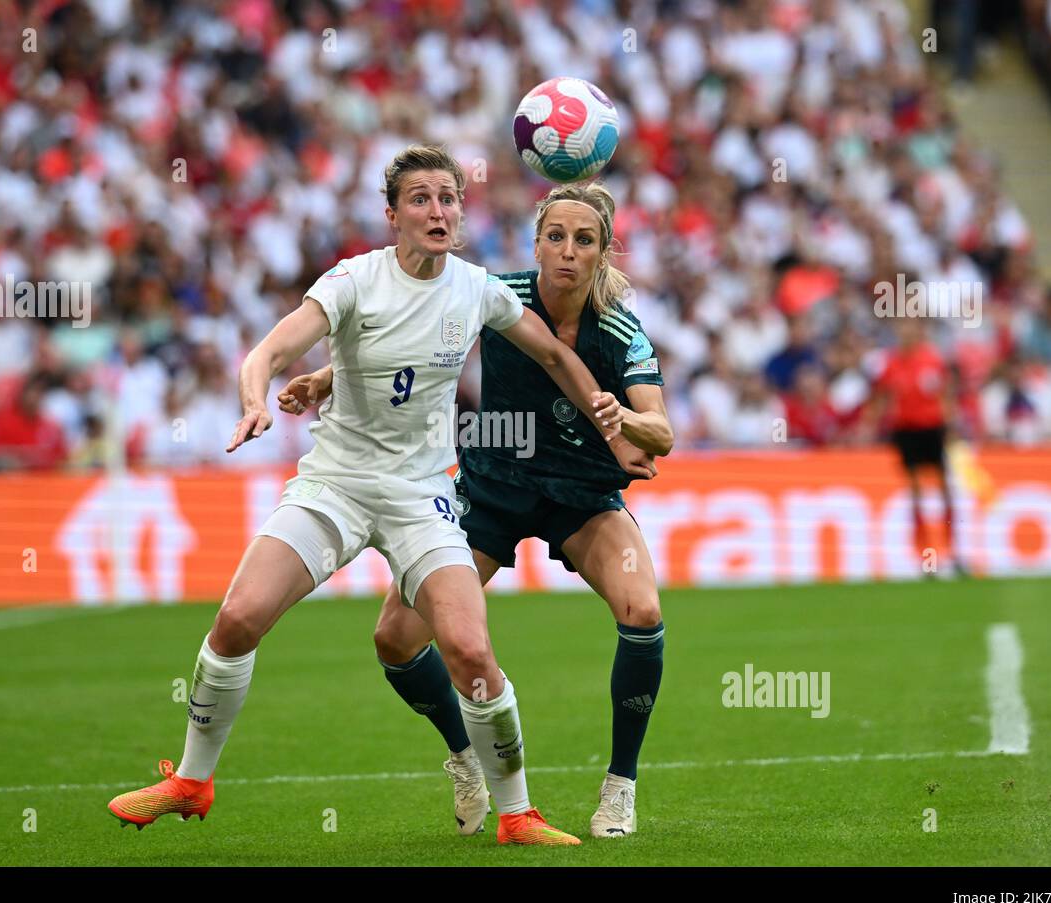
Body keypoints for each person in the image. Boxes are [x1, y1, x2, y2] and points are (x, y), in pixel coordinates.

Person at [106, 145, 651, 846]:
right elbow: (267, 352)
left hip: (422, 495)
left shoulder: (478, 289)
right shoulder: (352, 281)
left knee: (471, 652)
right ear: (392, 214)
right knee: (239, 617)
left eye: (449, 199)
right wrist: (258, 397)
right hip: (335, 484)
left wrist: (612, 419)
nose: (438, 211)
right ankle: (191, 781)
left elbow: (554, 355)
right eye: (420, 199)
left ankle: (517, 815)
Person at [278, 181, 673, 838]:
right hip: (492, 486)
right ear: (537, 243)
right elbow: (402, 341)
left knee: (645, 612)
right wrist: (324, 377)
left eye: (584, 241)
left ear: (604, 253)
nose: (567, 252)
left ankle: (620, 785)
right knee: (396, 641)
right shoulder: (494, 294)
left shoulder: (622, 330)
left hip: (581, 496)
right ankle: (465, 756)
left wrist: (625, 416)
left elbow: (663, 434)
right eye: (556, 237)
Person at [866, 316, 965, 576]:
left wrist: (951, 425)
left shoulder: (932, 360)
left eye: (910, 328)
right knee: (916, 494)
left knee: (945, 491)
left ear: (919, 331)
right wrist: (869, 424)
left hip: (932, 429)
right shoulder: (891, 363)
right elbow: (882, 396)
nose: (906, 333)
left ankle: (954, 552)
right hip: (906, 431)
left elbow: (947, 394)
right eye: (902, 328)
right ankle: (926, 557)